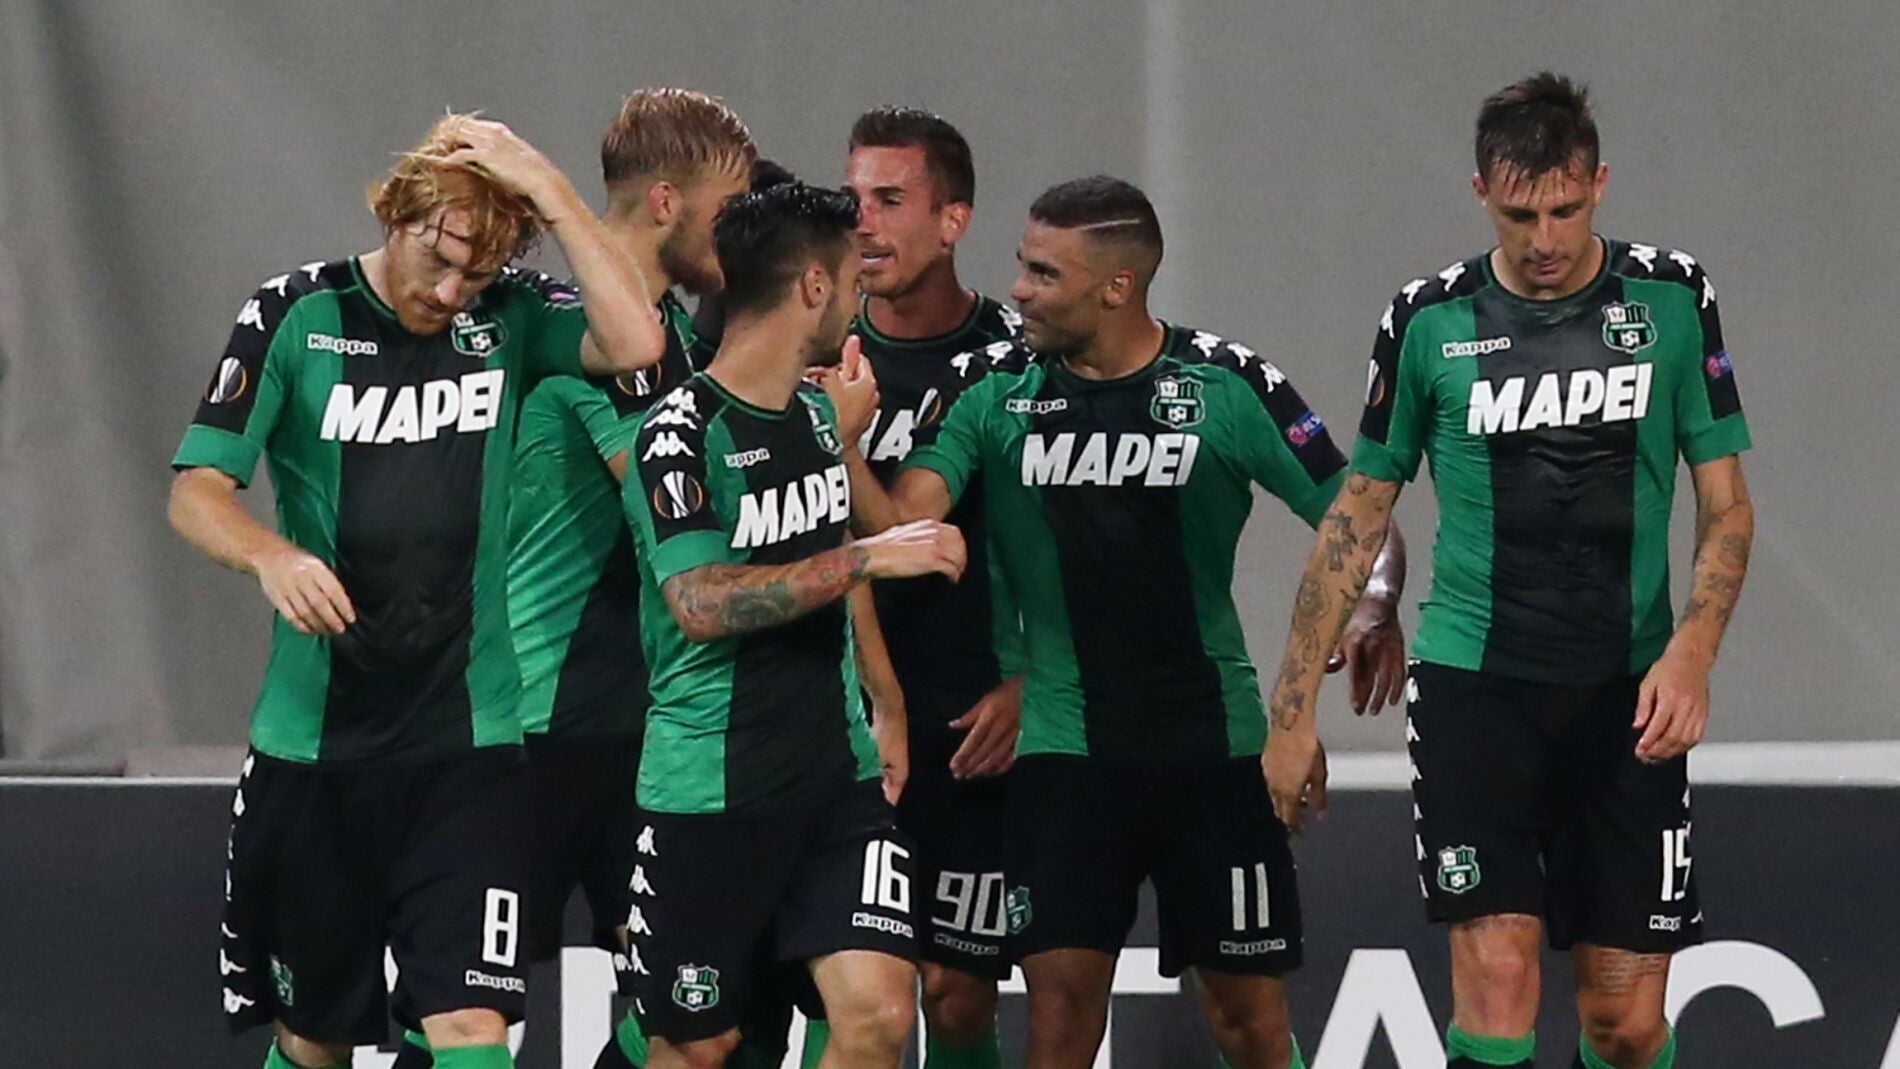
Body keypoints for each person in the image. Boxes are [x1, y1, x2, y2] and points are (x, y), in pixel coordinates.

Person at [846, 176, 1406, 1069]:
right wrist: (840, 443)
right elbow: (904, 530)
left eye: (1042, 273)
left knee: (1250, 1025)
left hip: (1214, 753)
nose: (1017, 291)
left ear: (1116, 287)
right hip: (1064, 758)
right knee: (1061, 1025)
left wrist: (1372, 606)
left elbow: (1360, 516)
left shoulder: (1225, 385)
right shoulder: (993, 387)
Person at [1261, 73, 1754, 1069]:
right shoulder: (1427, 318)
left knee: (1623, 1024)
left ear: (1600, 185)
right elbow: (1357, 512)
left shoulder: (1671, 296)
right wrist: (1289, 711)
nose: (1544, 237)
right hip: (1474, 689)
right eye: (1521, 211)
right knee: (1497, 985)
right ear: (1480, 191)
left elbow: (1727, 505)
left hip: (1628, 692)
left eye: (1566, 209)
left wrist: (1693, 653)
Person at [168, 113, 666, 1069]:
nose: (449, 290)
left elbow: (638, 340)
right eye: (437, 259)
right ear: (394, 213)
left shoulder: (513, 317)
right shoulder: (294, 313)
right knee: (314, 1035)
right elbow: (195, 491)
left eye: (475, 274)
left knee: (472, 1028)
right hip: (318, 747)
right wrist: (271, 556)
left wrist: (551, 191)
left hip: (470, 749)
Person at [621, 182, 963, 1069]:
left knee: (881, 1014)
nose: (860, 297)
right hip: (709, 791)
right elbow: (698, 604)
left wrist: (883, 697)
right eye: (851, 278)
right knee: (698, 1048)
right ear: (813, 286)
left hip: (834, 784)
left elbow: (827, 555)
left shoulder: (817, 419)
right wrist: (868, 560)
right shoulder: (678, 432)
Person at [826, 105, 1023, 1069]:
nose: (862, 221)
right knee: (836, 993)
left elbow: (1072, 543)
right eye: (853, 197)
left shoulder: (1023, 358)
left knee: (955, 994)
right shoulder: (807, 347)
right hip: (829, 713)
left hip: (969, 722)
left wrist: (1034, 684)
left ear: (953, 220)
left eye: (890, 200)